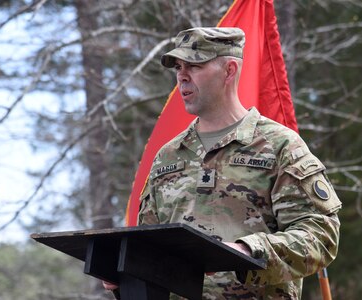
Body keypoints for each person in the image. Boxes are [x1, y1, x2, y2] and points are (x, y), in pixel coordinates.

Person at [104, 27, 341, 299]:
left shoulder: (280, 146)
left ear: (229, 70)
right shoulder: (168, 156)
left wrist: (250, 251)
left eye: (194, 65)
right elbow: (150, 248)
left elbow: (320, 235)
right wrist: (120, 276)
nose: (182, 75)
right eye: (179, 67)